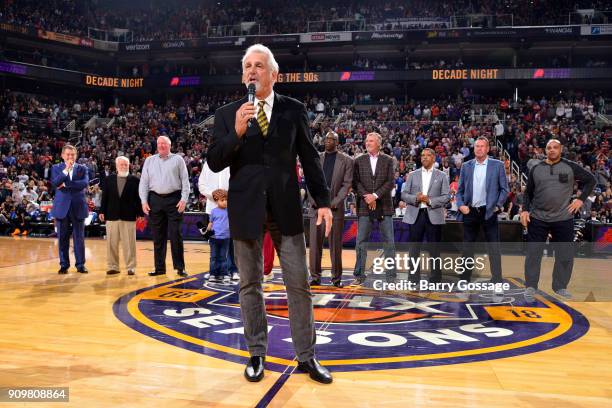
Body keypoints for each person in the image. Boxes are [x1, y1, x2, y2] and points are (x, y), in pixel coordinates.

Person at [207, 44, 333, 384]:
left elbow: (309, 157)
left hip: (285, 209)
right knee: (250, 285)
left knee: (299, 285)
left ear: (273, 74)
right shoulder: (227, 113)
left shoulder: (294, 110)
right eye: (247, 65)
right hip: (245, 210)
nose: (251, 70)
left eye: (258, 65)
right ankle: (256, 354)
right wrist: (236, 131)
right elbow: (215, 160)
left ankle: (307, 357)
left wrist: (322, 201)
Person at [521, 139, 596, 301]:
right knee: (533, 254)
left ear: (561, 149)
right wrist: (525, 210)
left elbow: (591, 181)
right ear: (545, 150)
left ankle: (560, 286)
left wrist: (581, 199)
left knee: (565, 254)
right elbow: (528, 193)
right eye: (549, 148)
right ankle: (531, 286)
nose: (552, 150)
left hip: (563, 218)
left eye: (555, 147)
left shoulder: (570, 166)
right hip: (538, 217)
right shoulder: (536, 169)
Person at [455, 136, 509, 285]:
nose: (479, 148)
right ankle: (465, 278)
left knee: (493, 247)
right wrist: (461, 205)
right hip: (470, 211)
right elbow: (459, 191)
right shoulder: (466, 166)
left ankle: (497, 279)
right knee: (467, 248)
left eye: (482, 146)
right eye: (477, 146)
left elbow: (505, 189)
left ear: (487, 149)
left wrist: (498, 205)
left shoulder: (497, 165)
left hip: (489, 211)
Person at [139, 136, 190, 277]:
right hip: (154, 199)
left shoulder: (178, 160)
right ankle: (159, 268)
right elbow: (143, 182)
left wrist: (184, 199)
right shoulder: (149, 161)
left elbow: (185, 181)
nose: (161, 146)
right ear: (156, 145)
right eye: (159, 143)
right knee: (158, 236)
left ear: (170, 145)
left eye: (164, 144)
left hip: (174, 199)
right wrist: (144, 201)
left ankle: (180, 267)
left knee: (176, 235)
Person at [308, 131, 353, 288]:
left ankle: (336, 279)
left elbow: (346, 185)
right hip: (316, 209)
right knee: (314, 246)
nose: (327, 141)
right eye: (325, 138)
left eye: (331, 139)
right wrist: (317, 202)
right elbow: (310, 182)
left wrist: (333, 203)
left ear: (337, 142)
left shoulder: (346, 161)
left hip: (335, 210)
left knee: (335, 246)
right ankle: (314, 277)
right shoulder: (316, 158)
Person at [351, 132, 396, 286]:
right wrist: (367, 196)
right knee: (361, 241)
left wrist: (375, 196)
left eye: (371, 141)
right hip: (364, 204)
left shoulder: (388, 160)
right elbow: (355, 182)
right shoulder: (358, 160)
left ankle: (391, 276)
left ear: (379, 143)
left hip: (384, 205)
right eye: (366, 140)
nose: (367, 143)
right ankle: (359, 274)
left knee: (389, 242)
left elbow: (390, 182)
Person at [402, 148, 450, 283]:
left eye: (428, 155)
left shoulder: (441, 176)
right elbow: (404, 194)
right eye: (422, 155)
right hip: (415, 215)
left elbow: (446, 196)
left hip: (433, 215)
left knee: (434, 250)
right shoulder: (412, 175)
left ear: (434, 158)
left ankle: (435, 279)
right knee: (413, 249)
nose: (424, 158)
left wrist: (430, 201)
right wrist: (416, 199)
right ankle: (413, 279)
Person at [99, 156, 144, 276]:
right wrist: (102, 211)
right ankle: (113, 266)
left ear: (129, 165)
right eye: (121, 164)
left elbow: (138, 199)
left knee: (129, 244)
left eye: (126, 164)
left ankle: (131, 267)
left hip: (128, 216)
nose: (124, 166)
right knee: (111, 243)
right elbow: (105, 197)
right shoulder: (109, 179)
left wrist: (140, 213)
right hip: (111, 215)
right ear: (117, 166)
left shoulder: (135, 180)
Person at [50, 144, 89, 274]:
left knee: (79, 238)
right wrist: (66, 170)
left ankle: (80, 265)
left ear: (76, 155)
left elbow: (84, 183)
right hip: (62, 208)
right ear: (62, 155)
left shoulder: (82, 168)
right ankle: (64, 265)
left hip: (78, 206)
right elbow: (55, 183)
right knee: (62, 238)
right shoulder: (56, 168)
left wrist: (66, 184)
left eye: (72, 154)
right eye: (68, 154)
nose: (70, 157)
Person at [198, 161, 238, 281]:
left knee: (231, 241)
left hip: (230, 207)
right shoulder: (207, 164)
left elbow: (237, 183)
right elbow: (201, 185)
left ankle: (233, 270)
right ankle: (215, 271)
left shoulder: (232, 163)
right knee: (214, 243)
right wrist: (214, 195)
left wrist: (225, 196)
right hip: (212, 209)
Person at [205, 189, 231, 284]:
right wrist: (207, 233)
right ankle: (213, 274)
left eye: (226, 200)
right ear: (216, 200)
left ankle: (224, 274)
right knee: (214, 257)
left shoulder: (230, 211)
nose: (225, 202)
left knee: (223, 257)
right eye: (222, 200)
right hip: (214, 238)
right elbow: (210, 223)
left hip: (226, 238)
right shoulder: (213, 212)